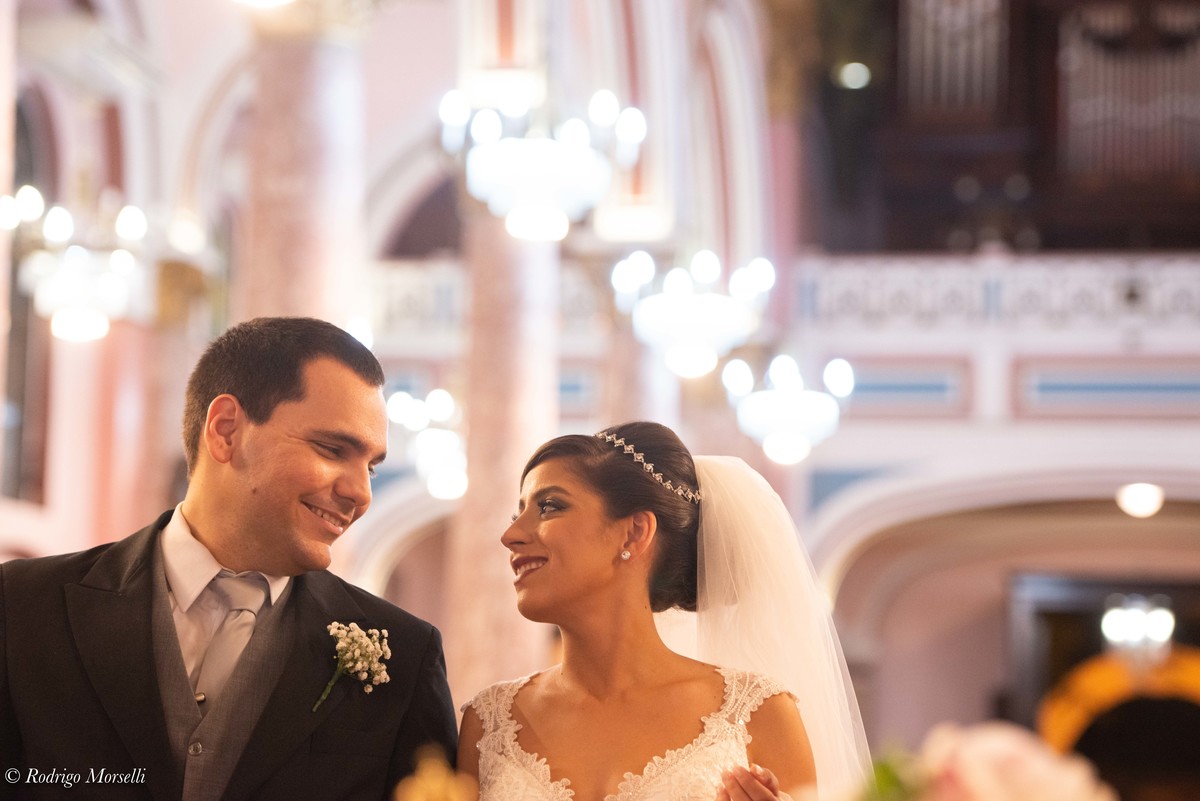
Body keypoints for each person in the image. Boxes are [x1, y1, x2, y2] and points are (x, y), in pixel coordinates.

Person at [0, 317, 457, 800]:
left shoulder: (405, 657)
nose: (361, 493)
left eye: (371, 466)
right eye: (332, 449)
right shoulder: (24, 605)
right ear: (225, 430)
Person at [458, 421, 871, 801]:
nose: (511, 535)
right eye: (518, 513)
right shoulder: (488, 724)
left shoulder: (758, 714)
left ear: (635, 532)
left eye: (549, 506)